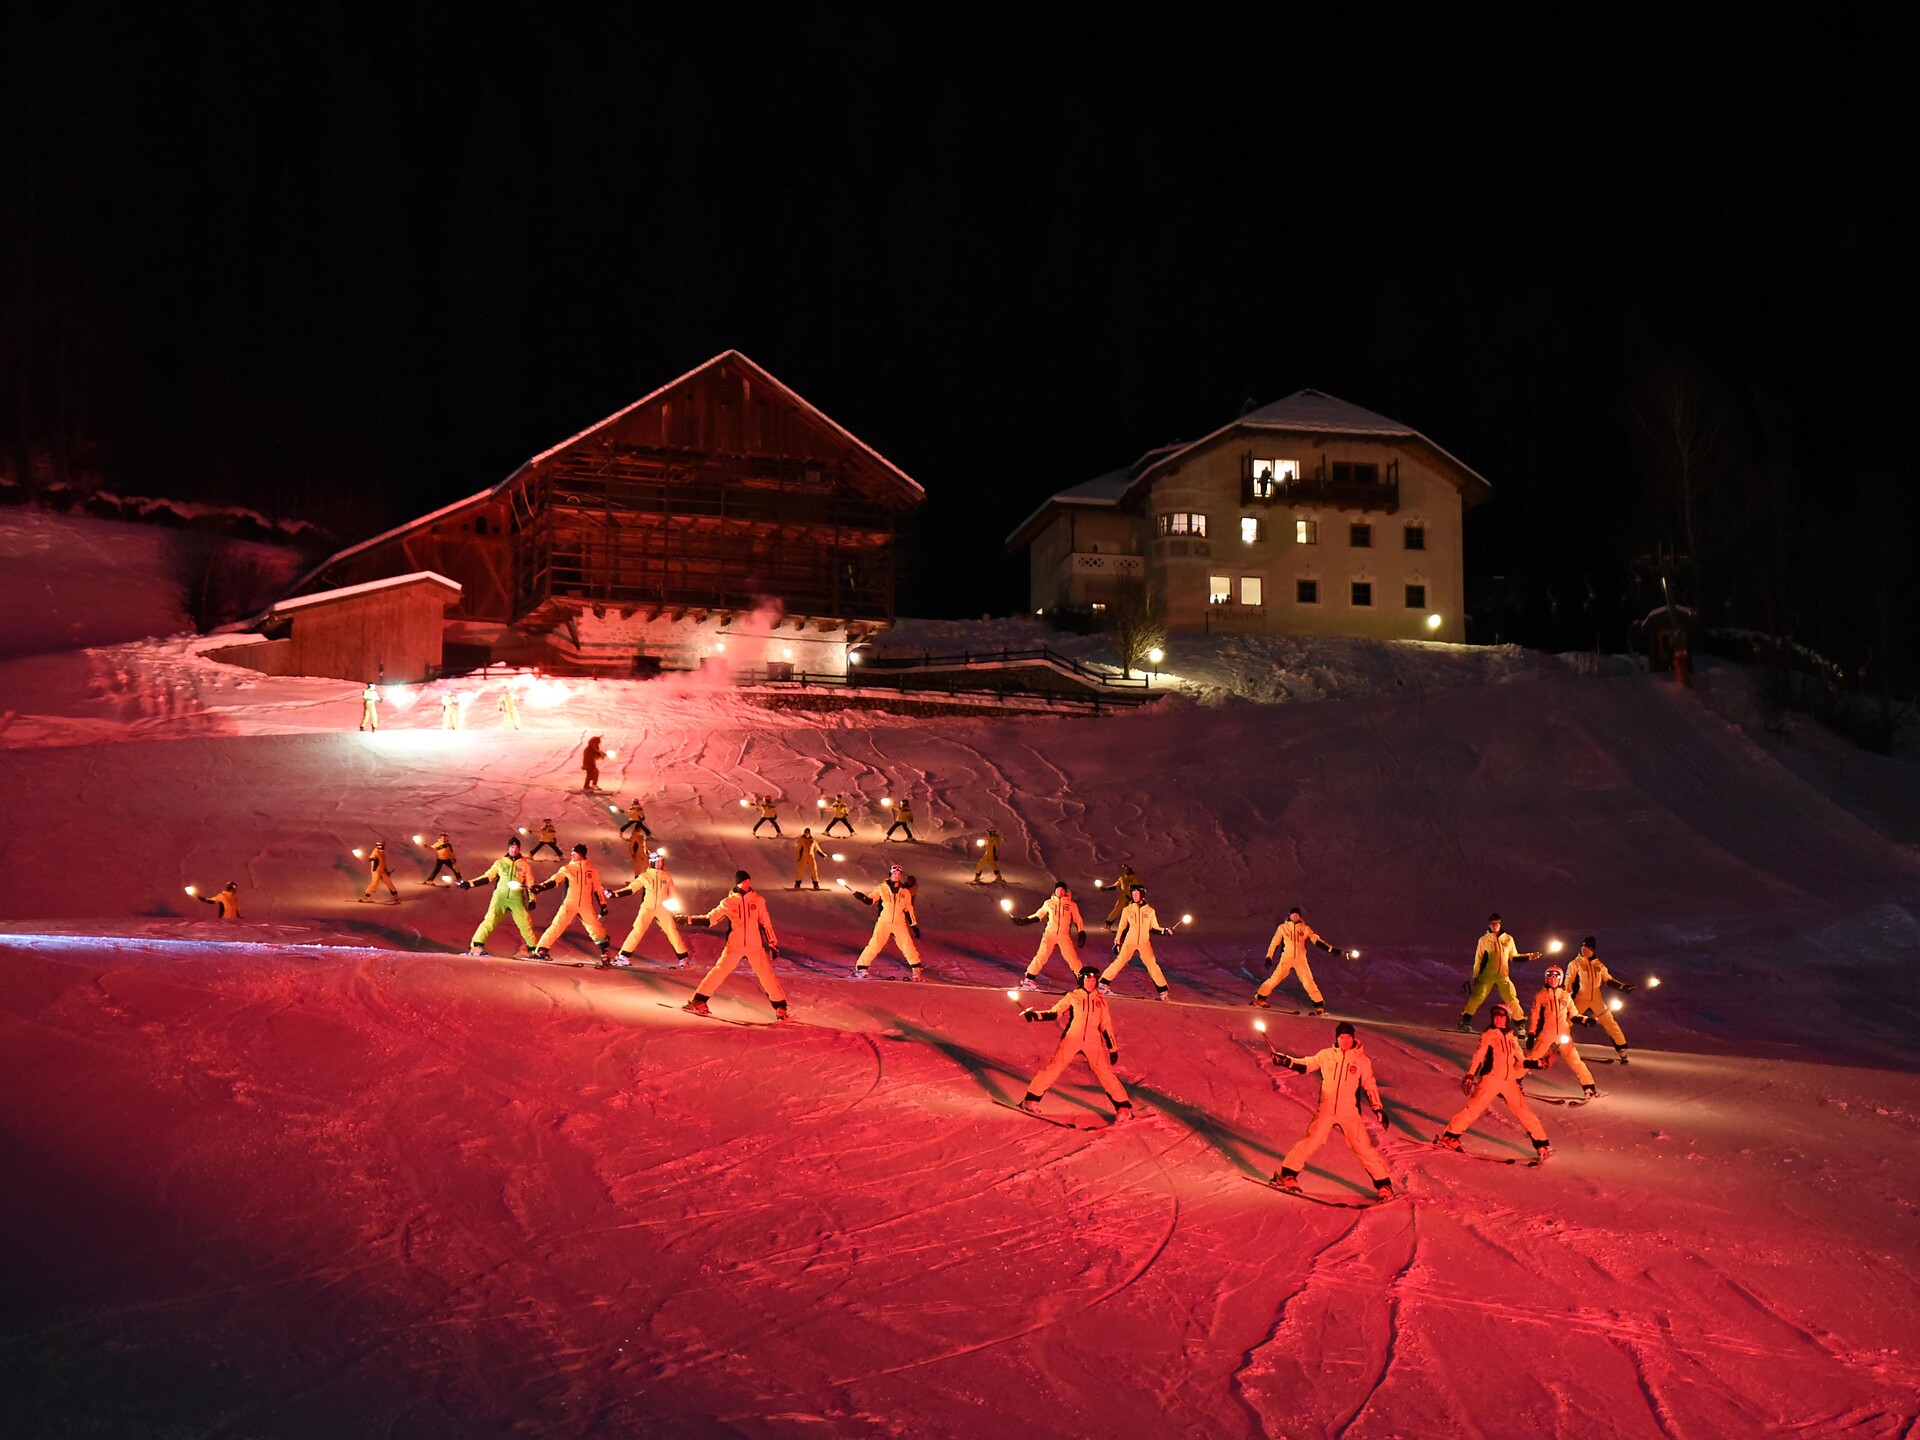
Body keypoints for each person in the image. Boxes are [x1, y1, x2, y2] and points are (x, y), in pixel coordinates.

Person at [1269, 1021, 1394, 1200]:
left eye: (1348, 1037)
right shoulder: (1326, 1055)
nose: (1344, 1041)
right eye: (1341, 1037)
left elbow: (1370, 1085)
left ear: (1353, 1038)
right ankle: (1287, 1176)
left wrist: (1378, 1108)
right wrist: (1286, 1061)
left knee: (1363, 1148)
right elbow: (1307, 1064)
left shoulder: (1362, 1060)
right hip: (1326, 1109)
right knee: (1311, 1141)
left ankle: (1384, 1186)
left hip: (1349, 1112)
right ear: (1337, 1038)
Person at [1015, 967, 1133, 1123]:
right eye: (1088, 979)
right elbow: (1055, 1012)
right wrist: (1035, 1016)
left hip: (1093, 1041)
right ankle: (1030, 1100)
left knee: (1105, 1074)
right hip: (1072, 1039)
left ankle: (1124, 1108)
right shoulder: (1072, 996)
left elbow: (1106, 1025)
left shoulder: (1100, 1000)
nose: (1091, 982)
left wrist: (1113, 1048)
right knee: (1054, 1068)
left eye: (1094, 979)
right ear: (1081, 980)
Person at [1435, 1006, 1552, 1161]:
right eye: (1495, 1015)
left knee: (1524, 1112)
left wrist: (1541, 1064)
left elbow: (1522, 1061)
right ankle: (1449, 1137)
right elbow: (1478, 1057)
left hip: (1509, 1081)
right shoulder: (1488, 1035)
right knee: (1473, 1109)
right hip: (1490, 1079)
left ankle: (1542, 1144)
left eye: (1501, 1016)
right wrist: (1470, 1075)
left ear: (1507, 1018)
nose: (1497, 1019)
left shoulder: (1511, 1037)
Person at [683, 870, 788, 1019]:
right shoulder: (728, 902)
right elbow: (709, 919)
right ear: (738, 883)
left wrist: (773, 943)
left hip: (754, 946)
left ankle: (781, 1008)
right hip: (735, 945)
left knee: (766, 975)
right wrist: (687, 919)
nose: (747, 883)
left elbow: (766, 923)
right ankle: (699, 1001)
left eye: (748, 881)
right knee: (719, 971)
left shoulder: (758, 900)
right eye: (744, 881)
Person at [1252, 906, 1349, 1015]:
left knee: (1308, 981)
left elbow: (1317, 940)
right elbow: (1275, 943)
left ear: (1300, 917)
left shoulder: (1305, 928)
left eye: (1297, 915)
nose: (1295, 916)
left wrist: (1332, 950)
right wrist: (1269, 956)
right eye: (1293, 914)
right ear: (1289, 916)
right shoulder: (1283, 927)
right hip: (1286, 958)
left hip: (1300, 959)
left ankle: (1319, 1005)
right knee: (1275, 978)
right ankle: (1260, 998)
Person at [1459, 914, 1544, 1034]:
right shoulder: (1484, 940)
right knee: (1477, 997)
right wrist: (1476, 976)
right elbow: (1478, 959)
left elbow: (1513, 956)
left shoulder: (1508, 939)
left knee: (1511, 998)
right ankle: (1464, 1021)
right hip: (1487, 974)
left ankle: (1520, 1025)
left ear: (1500, 924)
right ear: (1489, 925)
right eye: (1492, 924)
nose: (1495, 926)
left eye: (1496, 923)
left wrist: (1530, 956)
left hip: (1503, 975)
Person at [605, 849, 690, 967]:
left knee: (672, 930)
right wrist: (614, 894)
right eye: (658, 861)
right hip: (647, 908)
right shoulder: (645, 876)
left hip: (662, 909)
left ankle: (683, 959)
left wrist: (677, 911)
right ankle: (623, 957)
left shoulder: (666, 876)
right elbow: (631, 889)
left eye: (661, 861)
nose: (661, 863)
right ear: (652, 862)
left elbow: (673, 894)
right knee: (638, 930)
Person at [530, 843, 611, 961]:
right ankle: (542, 950)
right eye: (572, 853)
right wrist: (540, 887)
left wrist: (603, 904)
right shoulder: (567, 869)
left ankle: (605, 951)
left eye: (575, 853)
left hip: (585, 906)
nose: (572, 855)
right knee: (557, 925)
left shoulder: (592, 871)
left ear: (581, 855)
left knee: (594, 927)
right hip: (569, 904)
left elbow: (597, 889)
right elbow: (555, 880)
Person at [460, 837, 538, 957]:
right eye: (512, 847)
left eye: (516, 847)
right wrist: (470, 884)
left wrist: (532, 899)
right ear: (508, 848)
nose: (514, 849)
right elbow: (487, 877)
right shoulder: (500, 863)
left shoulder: (525, 865)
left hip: (516, 898)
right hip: (500, 897)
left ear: (519, 849)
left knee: (525, 923)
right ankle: (476, 946)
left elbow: (530, 884)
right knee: (490, 920)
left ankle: (534, 950)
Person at [1526, 965, 1597, 1098]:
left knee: (1574, 1059)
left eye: (1556, 976)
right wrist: (1531, 1034)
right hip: (1546, 1033)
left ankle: (1588, 1086)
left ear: (1561, 978)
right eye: (1550, 975)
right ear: (1546, 978)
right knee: (1531, 1058)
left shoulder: (1565, 996)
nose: (1553, 979)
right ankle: (1513, 1080)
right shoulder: (1541, 996)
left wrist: (1585, 1020)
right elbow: (1535, 1017)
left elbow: (1573, 1014)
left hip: (1563, 1033)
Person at [1566, 935, 1634, 1063]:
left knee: (1610, 1022)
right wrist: (1567, 996)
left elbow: (1608, 980)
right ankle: (1555, 1043)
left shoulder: (1599, 965)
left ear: (1592, 950)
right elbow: (1568, 981)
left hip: (1596, 1001)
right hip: (1580, 999)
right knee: (1567, 1020)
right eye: (1582, 947)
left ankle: (1622, 1050)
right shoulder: (1575, 964)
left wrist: (1623, 987)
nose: (1584, 950)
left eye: (1587, 948)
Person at [1100, 883, 1173, 1000]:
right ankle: (1103, 983)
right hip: (1130, 941)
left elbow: (1154, 927)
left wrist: (1165, 931)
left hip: (1144, 943)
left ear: (1142, 894)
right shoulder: (1127, 910)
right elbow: (1122, 927)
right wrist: (1117, 941)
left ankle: (1163, 991)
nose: (1134, 896)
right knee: (1119, 961)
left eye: (1136, 894)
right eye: (1133, 894)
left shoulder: (1150, 911)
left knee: (1152, 965)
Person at [851, 863, 923, 980]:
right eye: (895, 873)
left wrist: (914, 925)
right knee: (875, 944)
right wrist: (862, 897)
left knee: (907, 945)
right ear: (890, 874)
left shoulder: (905, 892)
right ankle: (861, 967)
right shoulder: (882, 888)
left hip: (899, 923)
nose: (897, 875)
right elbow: (870, 900)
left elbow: (908, 910)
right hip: (884, 922)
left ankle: (916, 969)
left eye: (899, 874)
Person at [1013, 881, 1085, 989]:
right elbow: (1038, 915)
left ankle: (1083, 981)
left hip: (1064, 936)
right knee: (1041, 956)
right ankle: (1029, 979)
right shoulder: (1049, 903)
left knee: (1072, 958)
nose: (1059, 891)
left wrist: (1081, 932)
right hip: (1049, 934)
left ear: (1065, 891)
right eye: (1057, 889)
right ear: (1054, 891)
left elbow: (1078, 920)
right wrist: (1024, 921)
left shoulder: (1071, 905)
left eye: (1062, 889)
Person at [1104, 862, 1142, 928]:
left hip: (1132, 897)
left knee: (1132, 911)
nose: (1125, 870)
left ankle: (1132, 926)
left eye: (1127, 869)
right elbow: (1116, 885)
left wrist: (1133, 897)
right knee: (1117, 908)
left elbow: (1136, 886)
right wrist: (1107, 888)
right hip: (1124, 897)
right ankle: (1108, 923)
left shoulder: (1135, 877)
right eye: (1125, 869)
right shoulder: (1122, 878)